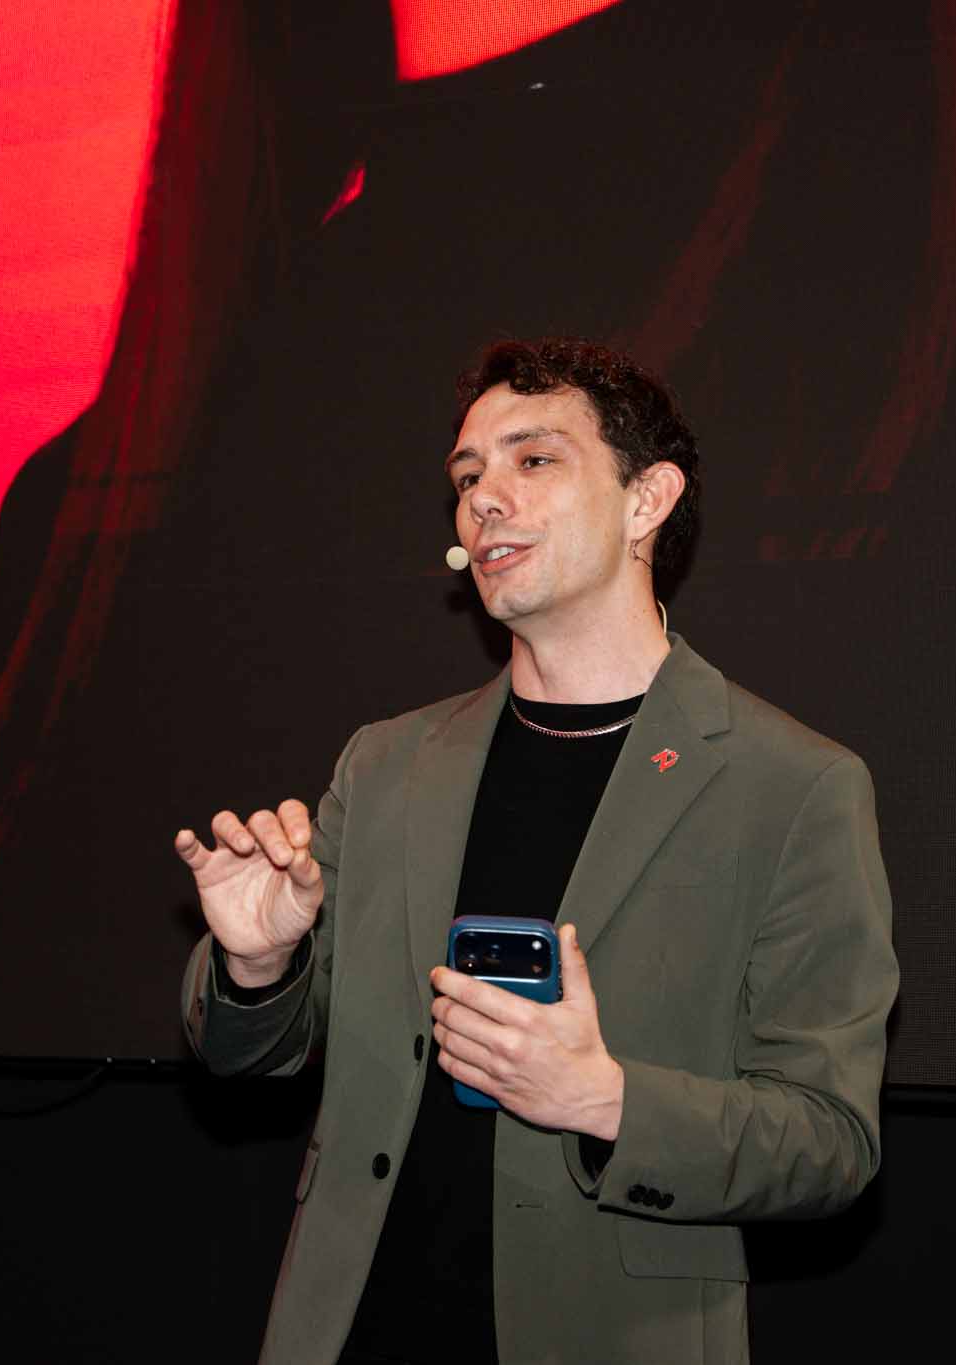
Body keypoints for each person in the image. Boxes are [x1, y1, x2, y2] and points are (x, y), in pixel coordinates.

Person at [175, 339, 900, 1364]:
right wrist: (258, 966)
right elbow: (248, 1054)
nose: (483, 498)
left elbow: (830, 1142)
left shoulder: (790, 785)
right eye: (467, 475)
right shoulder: (386, 765)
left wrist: (606, 1101)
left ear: (647, 500)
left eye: (534, 459)